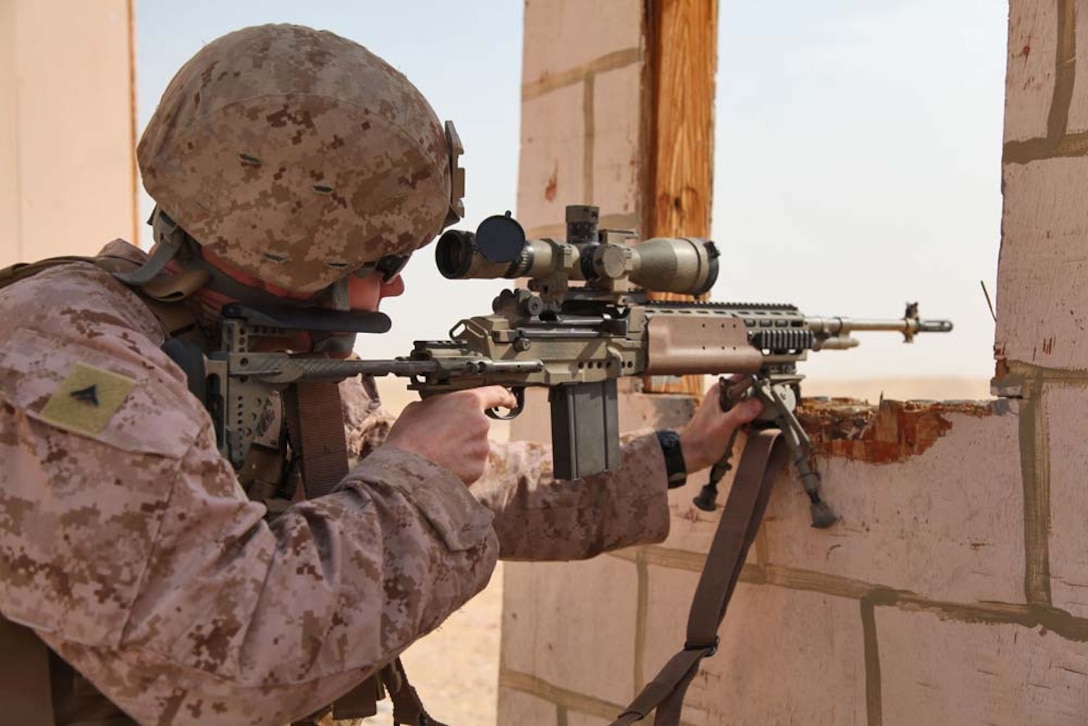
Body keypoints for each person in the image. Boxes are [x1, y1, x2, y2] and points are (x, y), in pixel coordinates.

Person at [0, 23, 763, 726]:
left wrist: (676, 455)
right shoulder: (64, 358)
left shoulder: (275, 346)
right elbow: (229, 654)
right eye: (385, 262)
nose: (397, 287)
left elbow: (452, 492)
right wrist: (418, 471)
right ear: (301, 255)